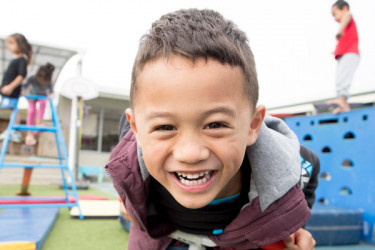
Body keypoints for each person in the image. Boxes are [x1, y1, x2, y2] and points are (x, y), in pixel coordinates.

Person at [106, 9, 319, 250]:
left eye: (215, 125)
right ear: (138, 130)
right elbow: (126, 165)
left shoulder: (285, 164)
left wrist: (295, 223)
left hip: (234, 238)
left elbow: (309, 165)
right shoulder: (130, 155)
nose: (190, 153)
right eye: (165, 127)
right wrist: (125, 198)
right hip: (159, 236)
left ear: (252, 125)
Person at [328, 0, 360, 114]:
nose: (334, 18)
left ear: (344, 8)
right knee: (340, 79)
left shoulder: (347, 17)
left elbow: (347, 16)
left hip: (350, 53)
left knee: (343, 78)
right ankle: (343, 106)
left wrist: (340, 30)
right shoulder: (345, 25)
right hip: (344, 54)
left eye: (335, 14)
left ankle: (342, 99)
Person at [0, 33, 33, 142]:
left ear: (20, 45)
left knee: (14, 109)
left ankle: (14, 130)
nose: (9, 46)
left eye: (11, 43)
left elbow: (21, 76)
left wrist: (10, 87)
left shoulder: (21, 60)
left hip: (11, 91)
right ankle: (12, 129)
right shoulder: (15, 60)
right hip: (5, 91)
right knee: (11, 109)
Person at [22, 63, 55, 146]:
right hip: (32, 96)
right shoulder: (32, 78)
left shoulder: (48, 81)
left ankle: (39, 123)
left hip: (42, 96)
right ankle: (29, 133)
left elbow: (51, 91)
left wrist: (51, 95)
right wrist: (23, 91)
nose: (41, 80)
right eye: (40, 78)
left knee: (43, 103)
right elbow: (24, 86)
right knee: (31, 111)